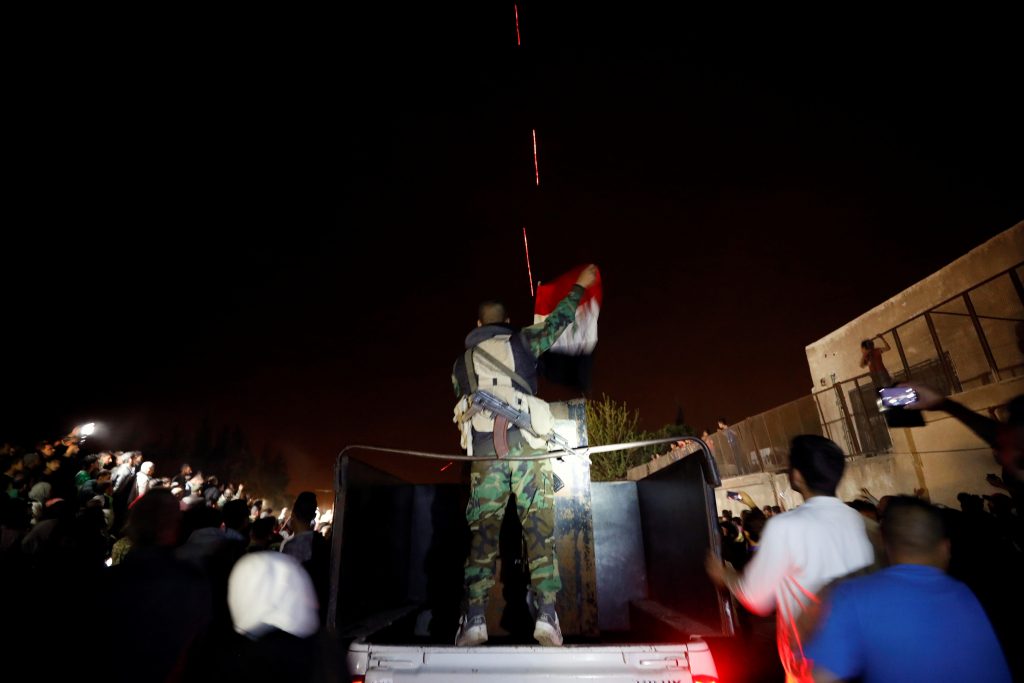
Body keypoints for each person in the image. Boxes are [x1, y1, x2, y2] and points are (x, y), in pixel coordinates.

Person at [451, 264, 599, 648]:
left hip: (486, 455)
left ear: (478, 323)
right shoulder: (522, 341)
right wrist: (580, 287)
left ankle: (474, 618)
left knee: (484, 534)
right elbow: (560, 322)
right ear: (507, 322)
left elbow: (461, 398)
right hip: (529, 450)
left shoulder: (461, 364)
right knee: (539, 531)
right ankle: (547, 615)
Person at [705, 434, 874, 682]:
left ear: (797, 476)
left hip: (811, 666)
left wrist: (725, 575)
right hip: (861, 659)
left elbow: (755, 598)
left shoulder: (785, 526)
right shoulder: (859, 520)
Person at [805, 496, 1011, 683]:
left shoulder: (853, 596)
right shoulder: (969, 594)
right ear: (946, 547)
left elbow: (821, 677)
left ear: (884, 544)